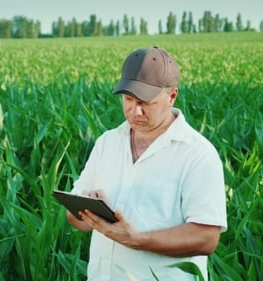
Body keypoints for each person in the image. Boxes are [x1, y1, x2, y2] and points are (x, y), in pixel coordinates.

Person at [67, 47, 227, 281]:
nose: (135, 111)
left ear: (172, 96)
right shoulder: (107, 143)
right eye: (128, 100)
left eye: (146, 102)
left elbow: (206, 238)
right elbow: (74, 219)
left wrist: (138, 240)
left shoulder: (197, 154)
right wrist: (87, 211)